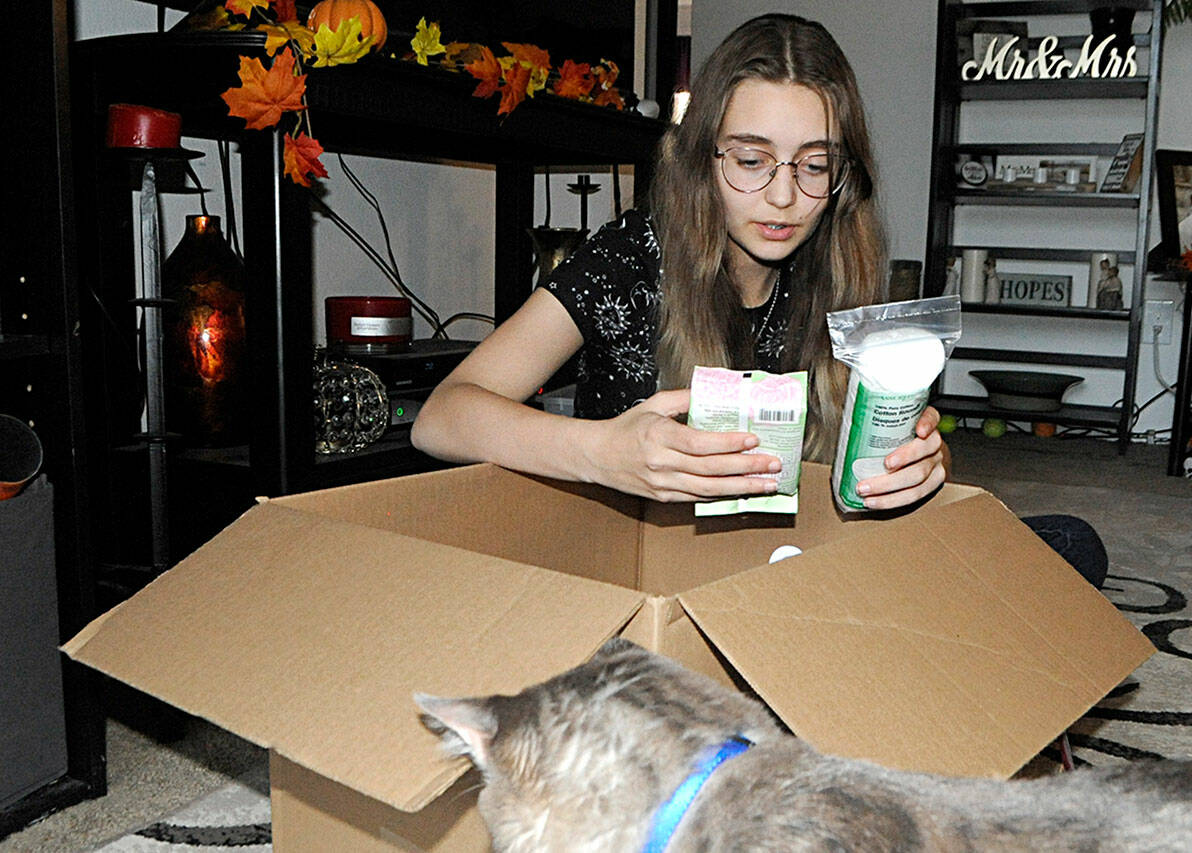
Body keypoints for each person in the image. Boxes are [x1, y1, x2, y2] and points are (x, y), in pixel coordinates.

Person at [412, 14, 1107, 585]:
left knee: (1068, 546)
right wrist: (601, 452)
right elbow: (441, 417)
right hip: (644, 580)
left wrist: (913, 471)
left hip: (783, 569)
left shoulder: (836, 266)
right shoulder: (631, 256)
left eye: (814, 165)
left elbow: (845, 494)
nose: (783, 197)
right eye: (750, 160)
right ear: (702, 156)